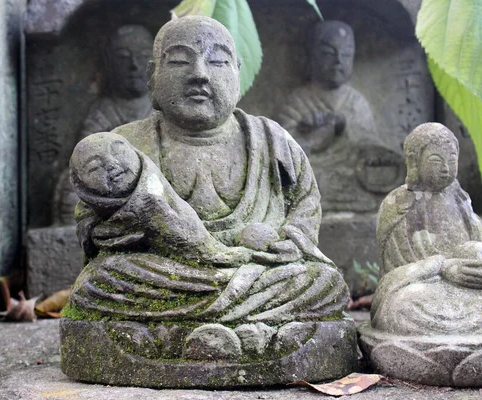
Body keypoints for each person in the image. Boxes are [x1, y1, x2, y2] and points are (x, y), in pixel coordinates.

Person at [68, 16, 349, 358]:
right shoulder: (123, 144)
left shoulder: (272, 140)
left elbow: (305, 204)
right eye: (181, 60)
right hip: (169, 275)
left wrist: (292, 242)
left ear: (237, 73)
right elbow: (90, 225)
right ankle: (250, 331)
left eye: (217, 60)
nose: (199, 73)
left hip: (260, 270)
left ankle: (177, 335)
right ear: (152, 76)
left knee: (323, 282)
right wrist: (127, 224)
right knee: (101, 280)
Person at [279, 21, 402, 212]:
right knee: (302, 178)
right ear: (312, 56)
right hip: (317, 170)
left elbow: (370, 142)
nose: (338, 61)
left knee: (376, 174)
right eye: (329, 53)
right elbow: (284, 155)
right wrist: (313, 140)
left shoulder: (355, 102)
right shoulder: (298, 101)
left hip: (351, 172)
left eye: (345, 54)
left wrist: (344, 127)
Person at [373, 122, 482, 335]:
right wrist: (442, 267)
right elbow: (390, 278)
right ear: (414, 161)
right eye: (435, 160)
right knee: (400, 309)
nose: (445, 168)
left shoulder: (462, 201)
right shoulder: (397, 205)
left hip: (464, 290)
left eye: (452, 159)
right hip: (421, 290)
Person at [52, 25, 154, 225]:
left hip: (154, 179)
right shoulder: (104, 110)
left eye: (142, 56)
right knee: (71, 185)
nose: (133, 65)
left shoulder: (160, 107)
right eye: (123, 58)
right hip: (113, 182)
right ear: (109, 64)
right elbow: (85, 154)